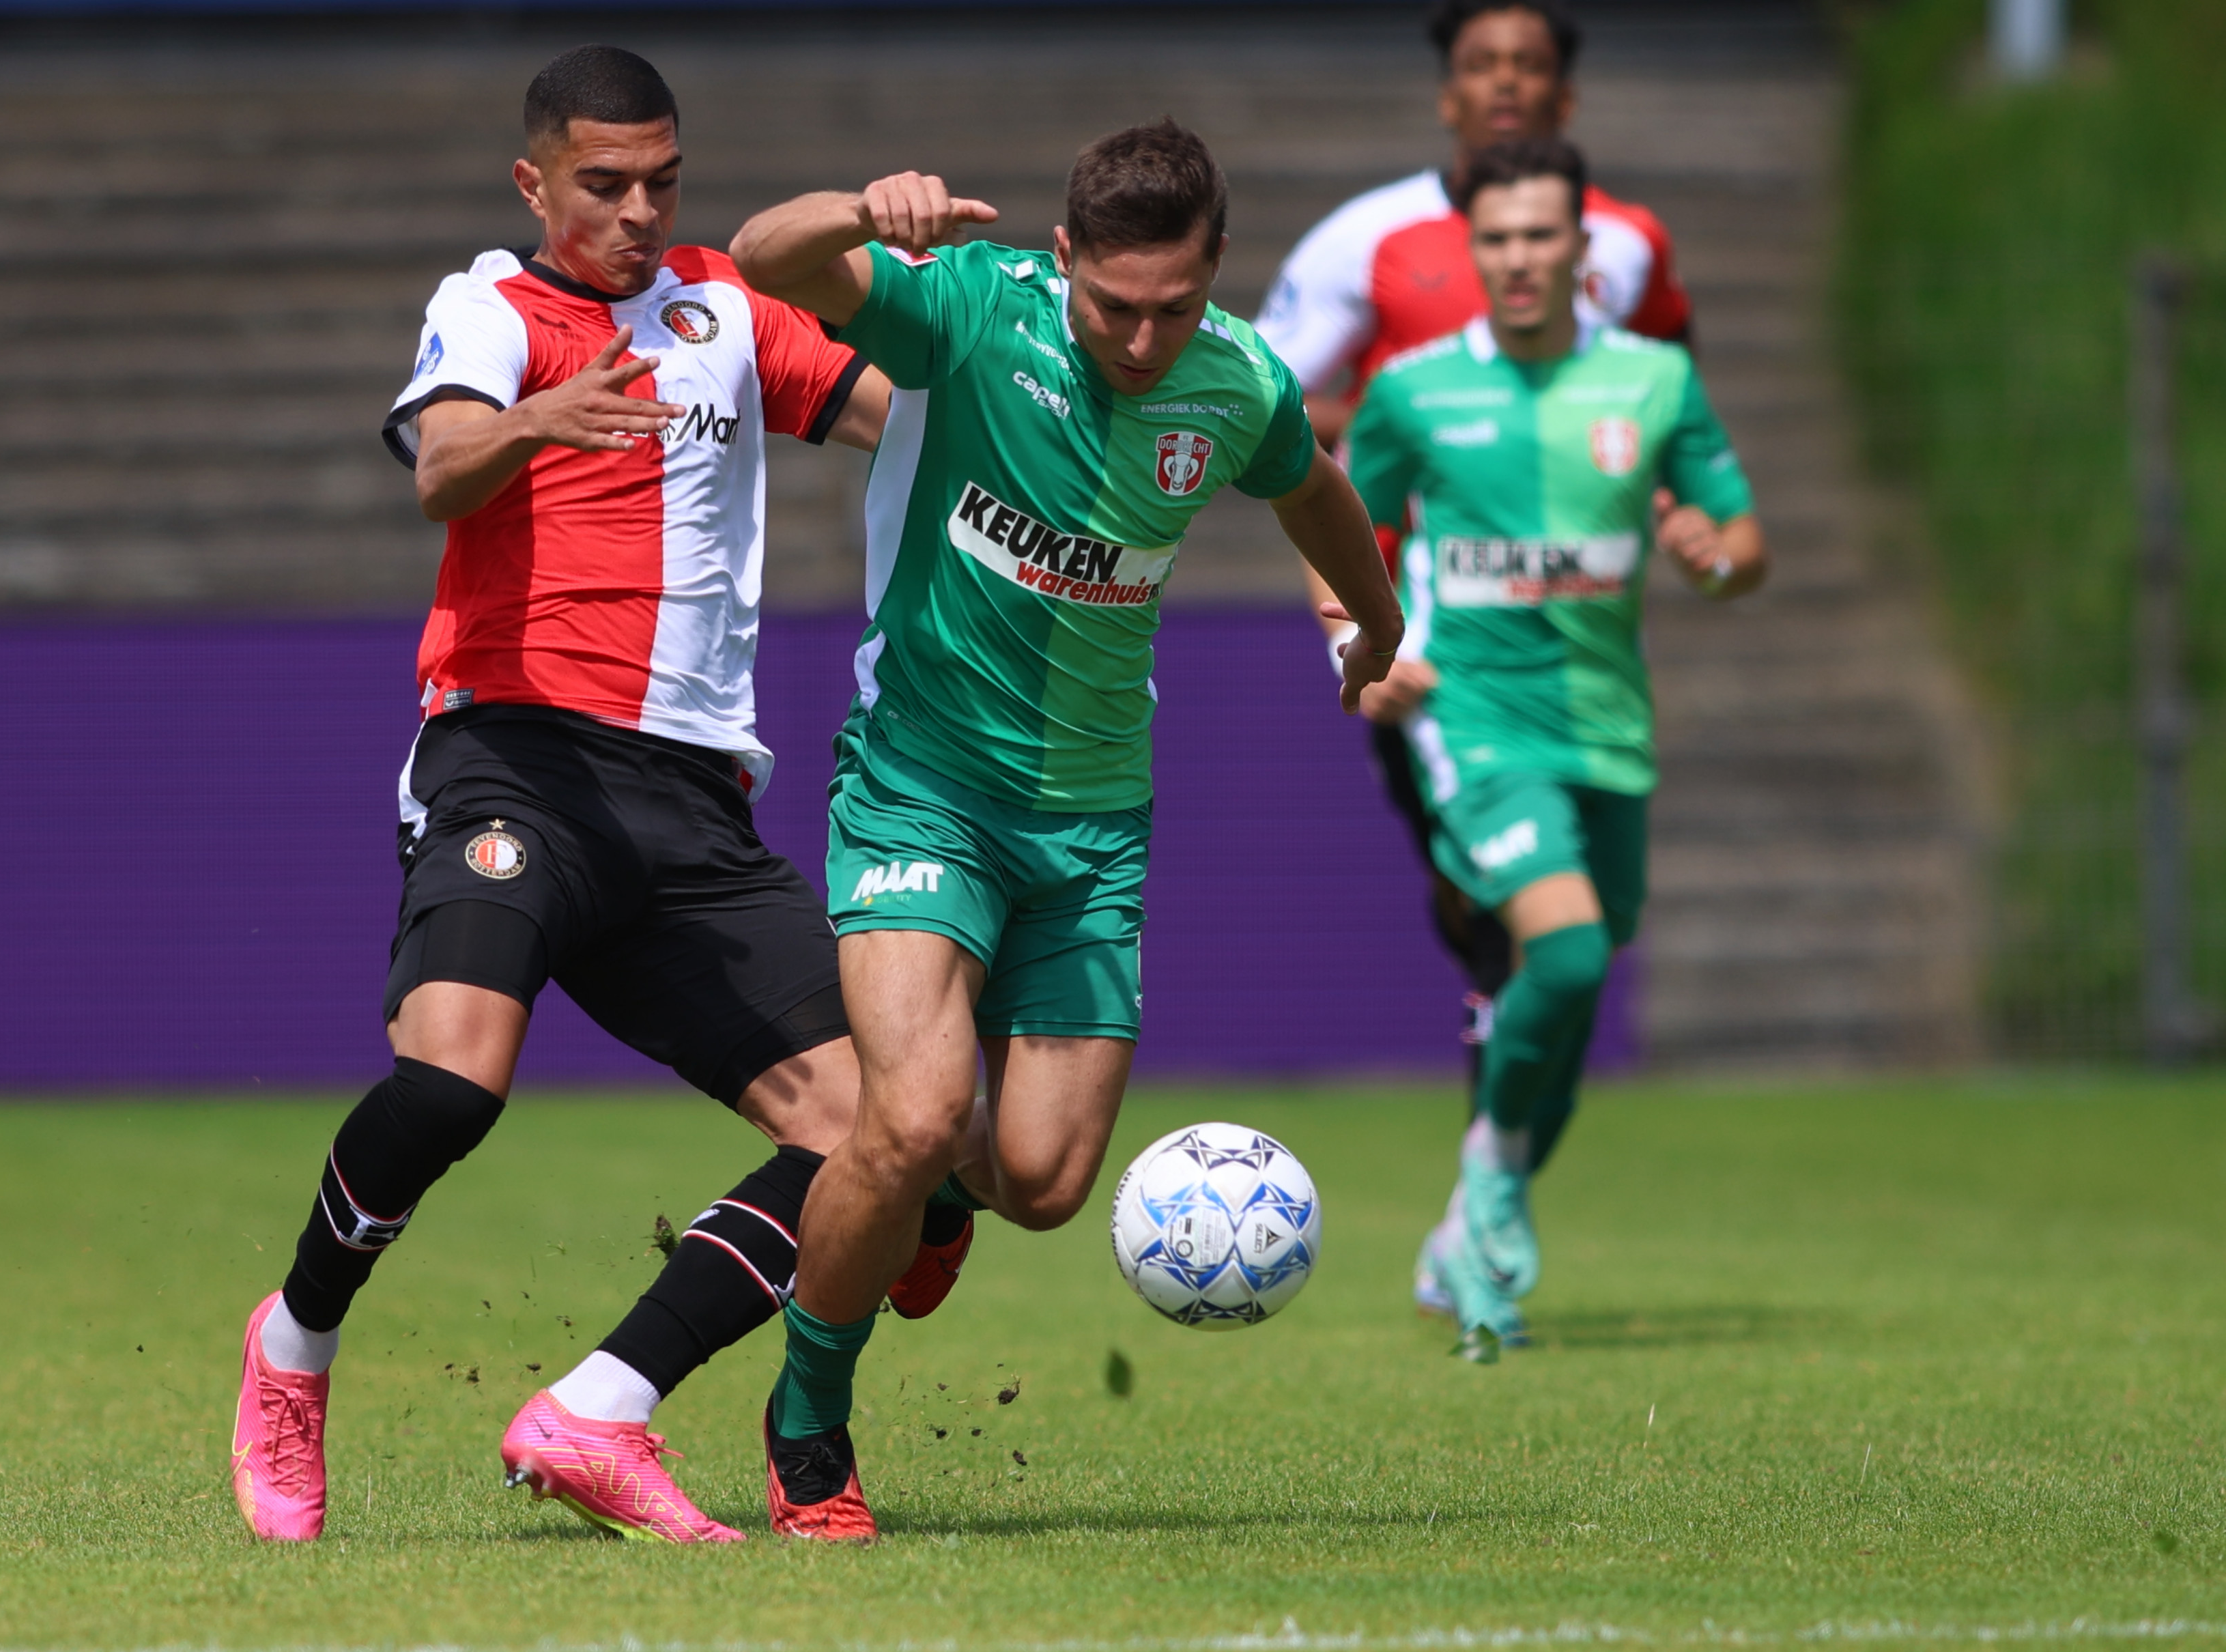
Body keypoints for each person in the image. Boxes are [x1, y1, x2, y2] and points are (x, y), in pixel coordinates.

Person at [229, 44, 913, 1548]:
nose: (638, 211)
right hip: (518, 762)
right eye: (604, 185)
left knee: (884, 1130)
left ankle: (601, 1408)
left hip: (693, 806)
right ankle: (294, 1345)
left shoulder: (729, 306)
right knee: (449, 1086)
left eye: (662, 181)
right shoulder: (493, 307)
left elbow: (902, 417)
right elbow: (441, 466)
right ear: (534, 184)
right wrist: (543, 419)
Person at [730, 119, 1403, 1537]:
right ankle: (809, 1427)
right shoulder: (972, 311)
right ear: (1063, 258)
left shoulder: (1237, 380)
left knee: (1038, 1181)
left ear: (1216, 271)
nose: (1144, 342)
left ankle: (938, 1197)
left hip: (1094, 825)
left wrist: (1376, 621)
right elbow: (762, 260)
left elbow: (1315, 487)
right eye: (1114, 307)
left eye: (1174, 308)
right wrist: (862, 210)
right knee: (912, 1115)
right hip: (922, 786)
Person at [1257, 0, 1697, 1246]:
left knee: (1556, 932)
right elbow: (1262, 401)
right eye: (1481, 65)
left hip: (1583, 644)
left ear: (1566, 95)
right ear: (1447, 94)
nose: (1506, 83)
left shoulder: (1630, 243)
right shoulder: (1368, 242)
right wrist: (1408, 428)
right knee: (1506, 920)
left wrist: (1672, 502)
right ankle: (1488, 1200)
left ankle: (1485, 1179)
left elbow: (1662, 390)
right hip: (1426, 635)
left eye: (1530, 65)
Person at [1346, 137, 1765, 1358]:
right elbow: (1344, 533)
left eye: (1541, 234)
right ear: (1471, 251)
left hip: (1609, 730)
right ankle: (1489, 1203)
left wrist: (1716, 560)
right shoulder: (1413, 392)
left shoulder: (1653, 381)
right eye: (1498, 238)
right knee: (1568, 954)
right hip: (1473, 719)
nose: (1520, 257)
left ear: (1583, 244)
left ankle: (1478, 1198)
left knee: (1578, 990)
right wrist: (1354, 648)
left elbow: (1743, 539)